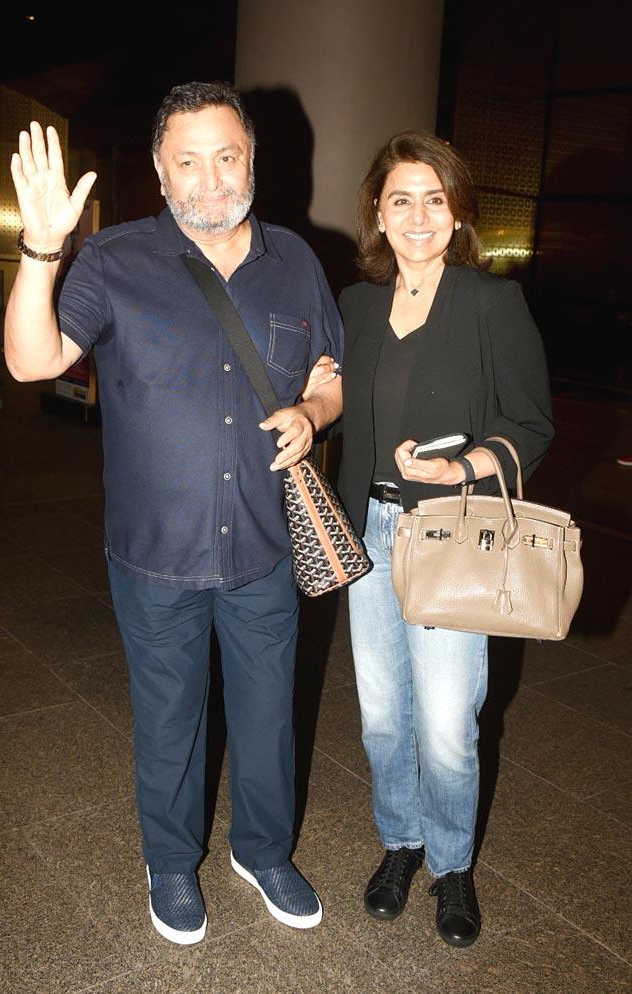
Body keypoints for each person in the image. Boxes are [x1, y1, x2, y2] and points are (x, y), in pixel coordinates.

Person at [4, 82, 343, 944]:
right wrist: (42, 253)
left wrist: (312, 416)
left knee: (270, 716)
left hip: (266, 546)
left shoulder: (297, 261)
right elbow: (31, 361)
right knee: (169, 719)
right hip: (155, 554)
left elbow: (329, 376)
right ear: (160, 171)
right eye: (187, 160)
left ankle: (264, 851)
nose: (210, 177)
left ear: (252, 159)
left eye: (226, 156)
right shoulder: (113, 260)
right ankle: (169, 863)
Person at [335, 131, 554, 946]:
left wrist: (461, 467)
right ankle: (402, 842)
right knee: (382, 714)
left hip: (454, 530)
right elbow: (328, 394)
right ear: (379, 215)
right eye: (401, 200)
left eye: (434, 198)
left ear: (457, 211)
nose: (418, 215)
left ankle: (452, 865)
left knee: (446, 722)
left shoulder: (492, 303)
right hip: (371, 529)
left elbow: (530, 424)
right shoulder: (356, 306)